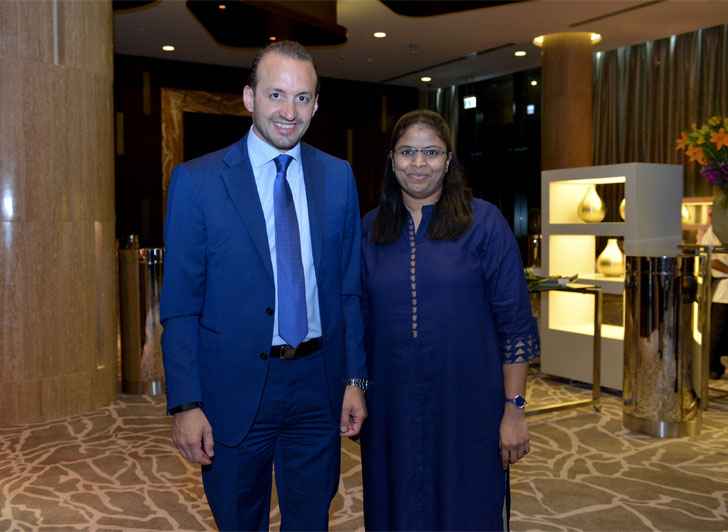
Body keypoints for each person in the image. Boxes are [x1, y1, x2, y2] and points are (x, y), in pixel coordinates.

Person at [160, 40, 367, 531]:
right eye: (276, 95)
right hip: (232, 389)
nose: (289, 112)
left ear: (315, 105)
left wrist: (355, 380)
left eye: (302, 98)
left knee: (311, 521)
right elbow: (181, 306)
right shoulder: (197, 181)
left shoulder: (339, 177)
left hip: (318, 384)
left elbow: (348, 291)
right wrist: (186, 403)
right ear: (249, 97)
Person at [359, 109, 539, 531]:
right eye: (407, 152)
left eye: (431, 152)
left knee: (468, 507)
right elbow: (357, 319)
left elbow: (514, 324)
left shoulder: (484, 223)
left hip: (468, 403)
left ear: (448, 160)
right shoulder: (370, 229)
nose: (418, 163)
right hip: (390, 406)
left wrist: (515, 409)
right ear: (391, 159)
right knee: (395, 506)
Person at [699, 213, 728, 380]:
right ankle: (713, 367)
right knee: (717, 329)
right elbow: (710, 259)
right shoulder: (712, 233)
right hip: (722, 288)